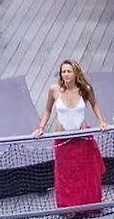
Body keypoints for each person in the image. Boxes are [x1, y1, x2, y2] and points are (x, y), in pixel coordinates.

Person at [34, 59, 105, 209]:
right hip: (63, 141)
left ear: (75, 73)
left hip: (82, 138)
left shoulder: (85, 89)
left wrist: (101, 121)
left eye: (69, 71)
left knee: (85, 173)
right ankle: (68, 208)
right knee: (65, 176)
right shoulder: (54, 90)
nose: (66, 74)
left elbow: (94, 104)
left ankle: (89, 206)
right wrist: (41, 127)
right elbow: (47, 110)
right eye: (63, 71)